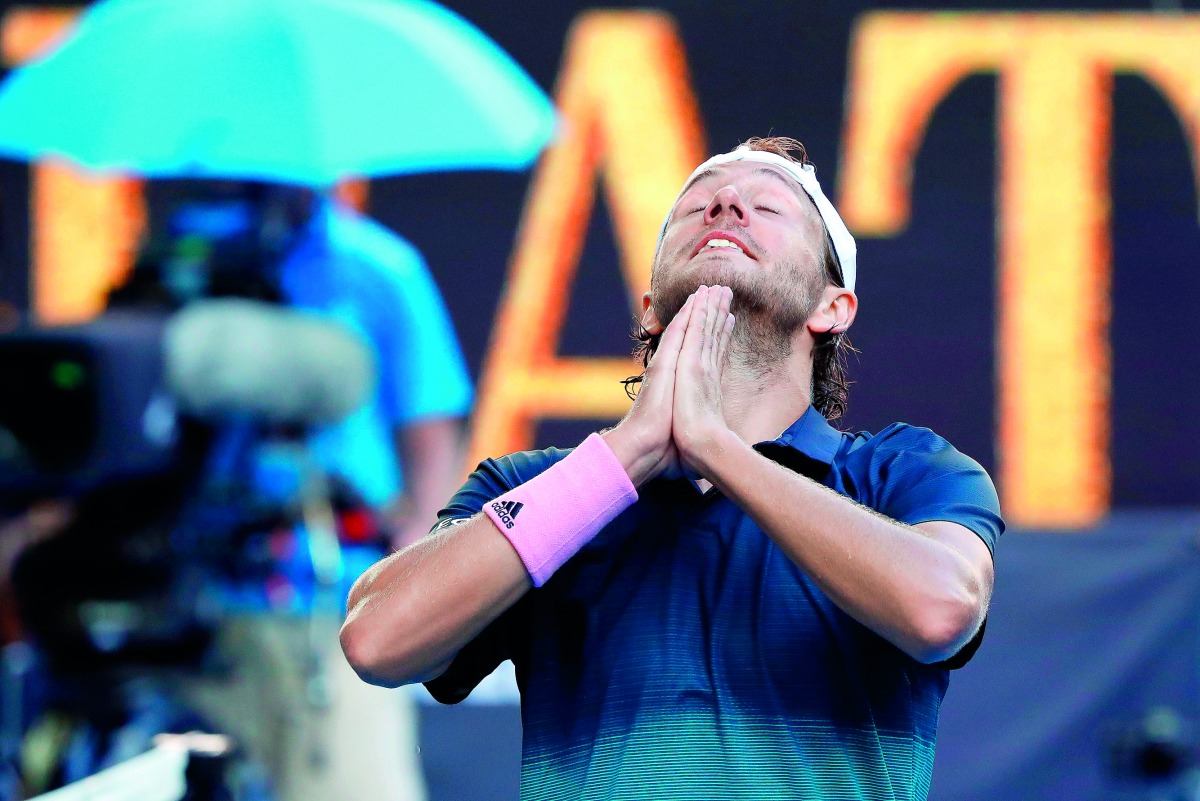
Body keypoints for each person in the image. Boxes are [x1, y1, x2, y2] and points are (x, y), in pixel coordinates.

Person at [339, 136, 1003, 801]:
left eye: (770, 206)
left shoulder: (907, 471)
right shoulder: (532, 489)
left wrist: (716, 447)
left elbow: (941, 610)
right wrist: (626, 454)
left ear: (833, 306)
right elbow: (375, 639)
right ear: (652, 307)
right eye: (696, 206)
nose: (726, 203)